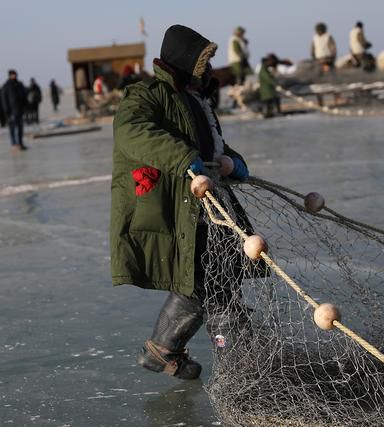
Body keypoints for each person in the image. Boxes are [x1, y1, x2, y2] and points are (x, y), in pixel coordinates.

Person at [111, 24, 252, 380]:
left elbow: (210, 145)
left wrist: (232, 162)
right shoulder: (148, 93)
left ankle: (162, 351)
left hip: (212, 204)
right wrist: (181, 157)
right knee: (214, 282)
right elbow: (131, 132)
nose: (207, 67)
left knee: (208, 278)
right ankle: (241, 367)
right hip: (181, 207)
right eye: (202, 59)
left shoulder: (196, 98)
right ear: (184, 58)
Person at [0, 69, 28, 151]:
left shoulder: (19, 85)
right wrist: (6, 111)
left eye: (15, 74)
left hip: (19, 110)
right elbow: (4, 100)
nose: (14, 76)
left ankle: (20, 143)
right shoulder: (6, 86)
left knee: (20, 128)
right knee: (12, 129)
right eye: (13, 74)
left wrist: (25, 107)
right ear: (9, 75)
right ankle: (14, 144)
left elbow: (24, 96)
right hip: (11, 111)